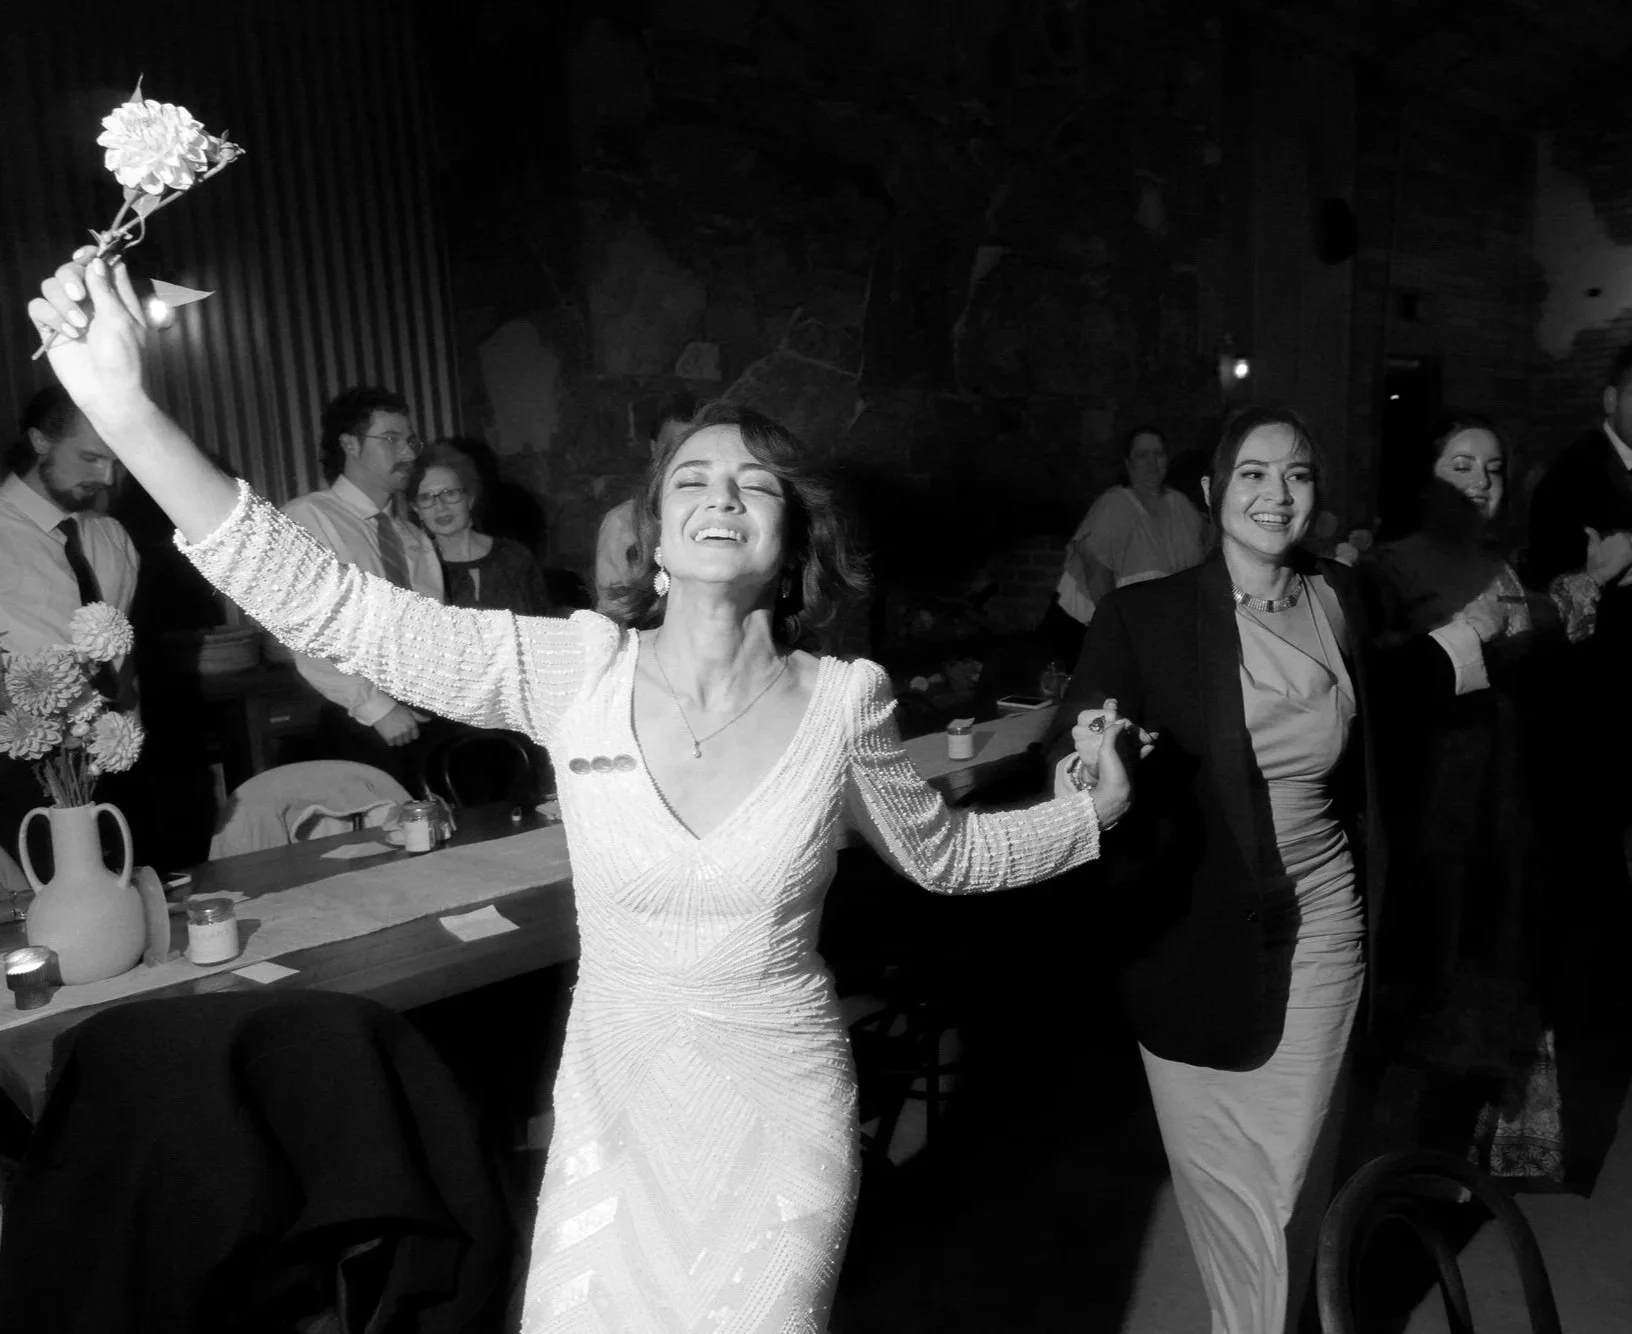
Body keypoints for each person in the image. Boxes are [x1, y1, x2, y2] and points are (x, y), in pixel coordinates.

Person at [28, 249, 1148, 1334]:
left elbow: (942, 853)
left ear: (788, 534)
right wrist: (126, 410)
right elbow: (333, 606)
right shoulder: (578, 669)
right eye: (692, 481)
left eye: (753, 484)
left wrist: (1084, 814)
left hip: (778, 1110)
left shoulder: (840, 700)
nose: (721, 496)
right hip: (614, 1117)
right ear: (654, 533)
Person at [1048, 406, 1380, 1334]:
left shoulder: (1343, 597)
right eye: (1253, 474)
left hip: (1323, 918)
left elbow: (1396, 718)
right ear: (1212, 492)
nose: (1277, 495)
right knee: (1225, 1187)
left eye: (1298, 475)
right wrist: (1088, 762)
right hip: (1190, 930)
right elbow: (1074, 730)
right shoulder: (1144, 615)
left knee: (1286, 1179)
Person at [1361, 412, 1632, 1183]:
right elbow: (1382, 684)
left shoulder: (1500, 559)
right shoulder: (1388, 566)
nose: (1479, 482)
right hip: (1435, 812)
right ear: (1428, 475)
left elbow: (1539, 631)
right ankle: (1384, 1187)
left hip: (1506, 803)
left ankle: (1447, 1170)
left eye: (1491, 468)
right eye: (1461, 465)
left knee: (1489, 986)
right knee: (1431, 991)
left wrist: (1591, 581)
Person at [1525, 340, 1632, 1025]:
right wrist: (1600, 585)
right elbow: (1545, 610)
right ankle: (1591, 1017)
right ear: (1610, 399)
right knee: (1599, 881)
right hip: (1599, 718)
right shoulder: (1571, 478)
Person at [280, 385, 445, 791]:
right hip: (356, 719)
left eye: (410, 441)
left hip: (424, 715)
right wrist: (375, 706)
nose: (408, 453)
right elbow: (307, 629)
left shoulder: (411, 534)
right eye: (391, 439)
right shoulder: (310, 517)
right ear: (349, 444)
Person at [0, 384, 139, 860]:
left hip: (109, 758)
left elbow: (121, 644)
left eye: (115, 462)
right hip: (23, 767)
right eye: (90, 458)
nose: (106, 476)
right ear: (40, 441)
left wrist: (130, 723)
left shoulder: (112, 537)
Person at [1040, 424, 1209, 662]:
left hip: (1157, 634)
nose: (1151, 462)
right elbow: (1098, 576)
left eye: (1158, 454)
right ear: (1128, 464)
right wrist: (1117, 637)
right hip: (1096, 633)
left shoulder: (1181, 506)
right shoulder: (1113, 506)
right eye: (1142, 455)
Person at [410, 441, 555, 616]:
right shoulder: (417, 568)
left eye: (450, 493)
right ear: (416, 509)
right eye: (426, 498)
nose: (440, 507)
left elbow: (545, 621)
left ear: (469, 498)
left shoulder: (514, 557)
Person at [593, 394, 696, 601]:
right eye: (672, 448)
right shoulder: (623, 523)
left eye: (693, 449)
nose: (682, 459)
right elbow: (613, 611)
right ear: (654, 448)